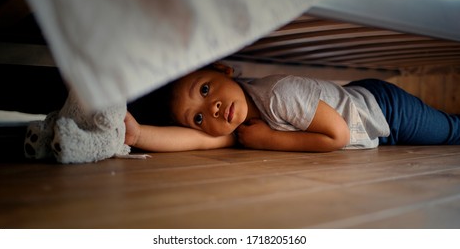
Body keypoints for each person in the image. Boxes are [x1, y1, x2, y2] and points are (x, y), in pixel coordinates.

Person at [124, 63, 460, 153]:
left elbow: (338, 135)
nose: (211, 108)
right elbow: (194, 141)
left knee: (449, 132)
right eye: (196, 117)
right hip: (375, 135)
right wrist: (137, 134)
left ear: (224, 70)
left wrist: (270, 141)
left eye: (206, 89)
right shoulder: (236, 126)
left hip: (384, 109)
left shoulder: (277, 94)